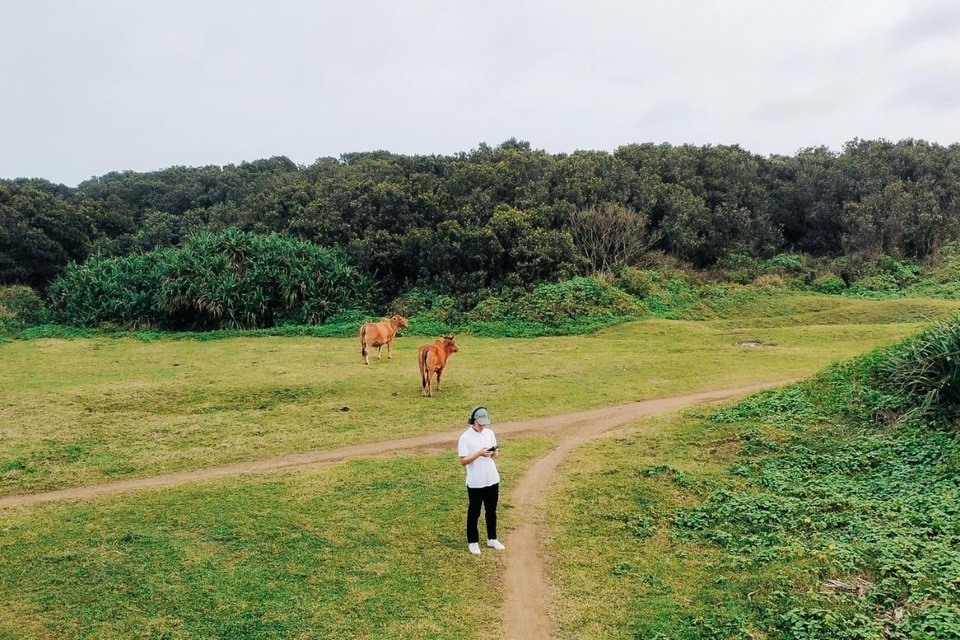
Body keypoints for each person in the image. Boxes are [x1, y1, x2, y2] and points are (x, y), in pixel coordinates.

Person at [458, 406, 505, 555]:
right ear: (473, 421)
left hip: (491, 478)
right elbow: (463, 461)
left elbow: (495, 455)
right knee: (474, 512)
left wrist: (493, 453)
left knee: (491, 511)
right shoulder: (465, 438)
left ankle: (492, 538)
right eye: (480, 424)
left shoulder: (489, 433)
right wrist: (478, 453)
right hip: (476, 482)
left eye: (484, 423)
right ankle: (473, 541)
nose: (483, 426)